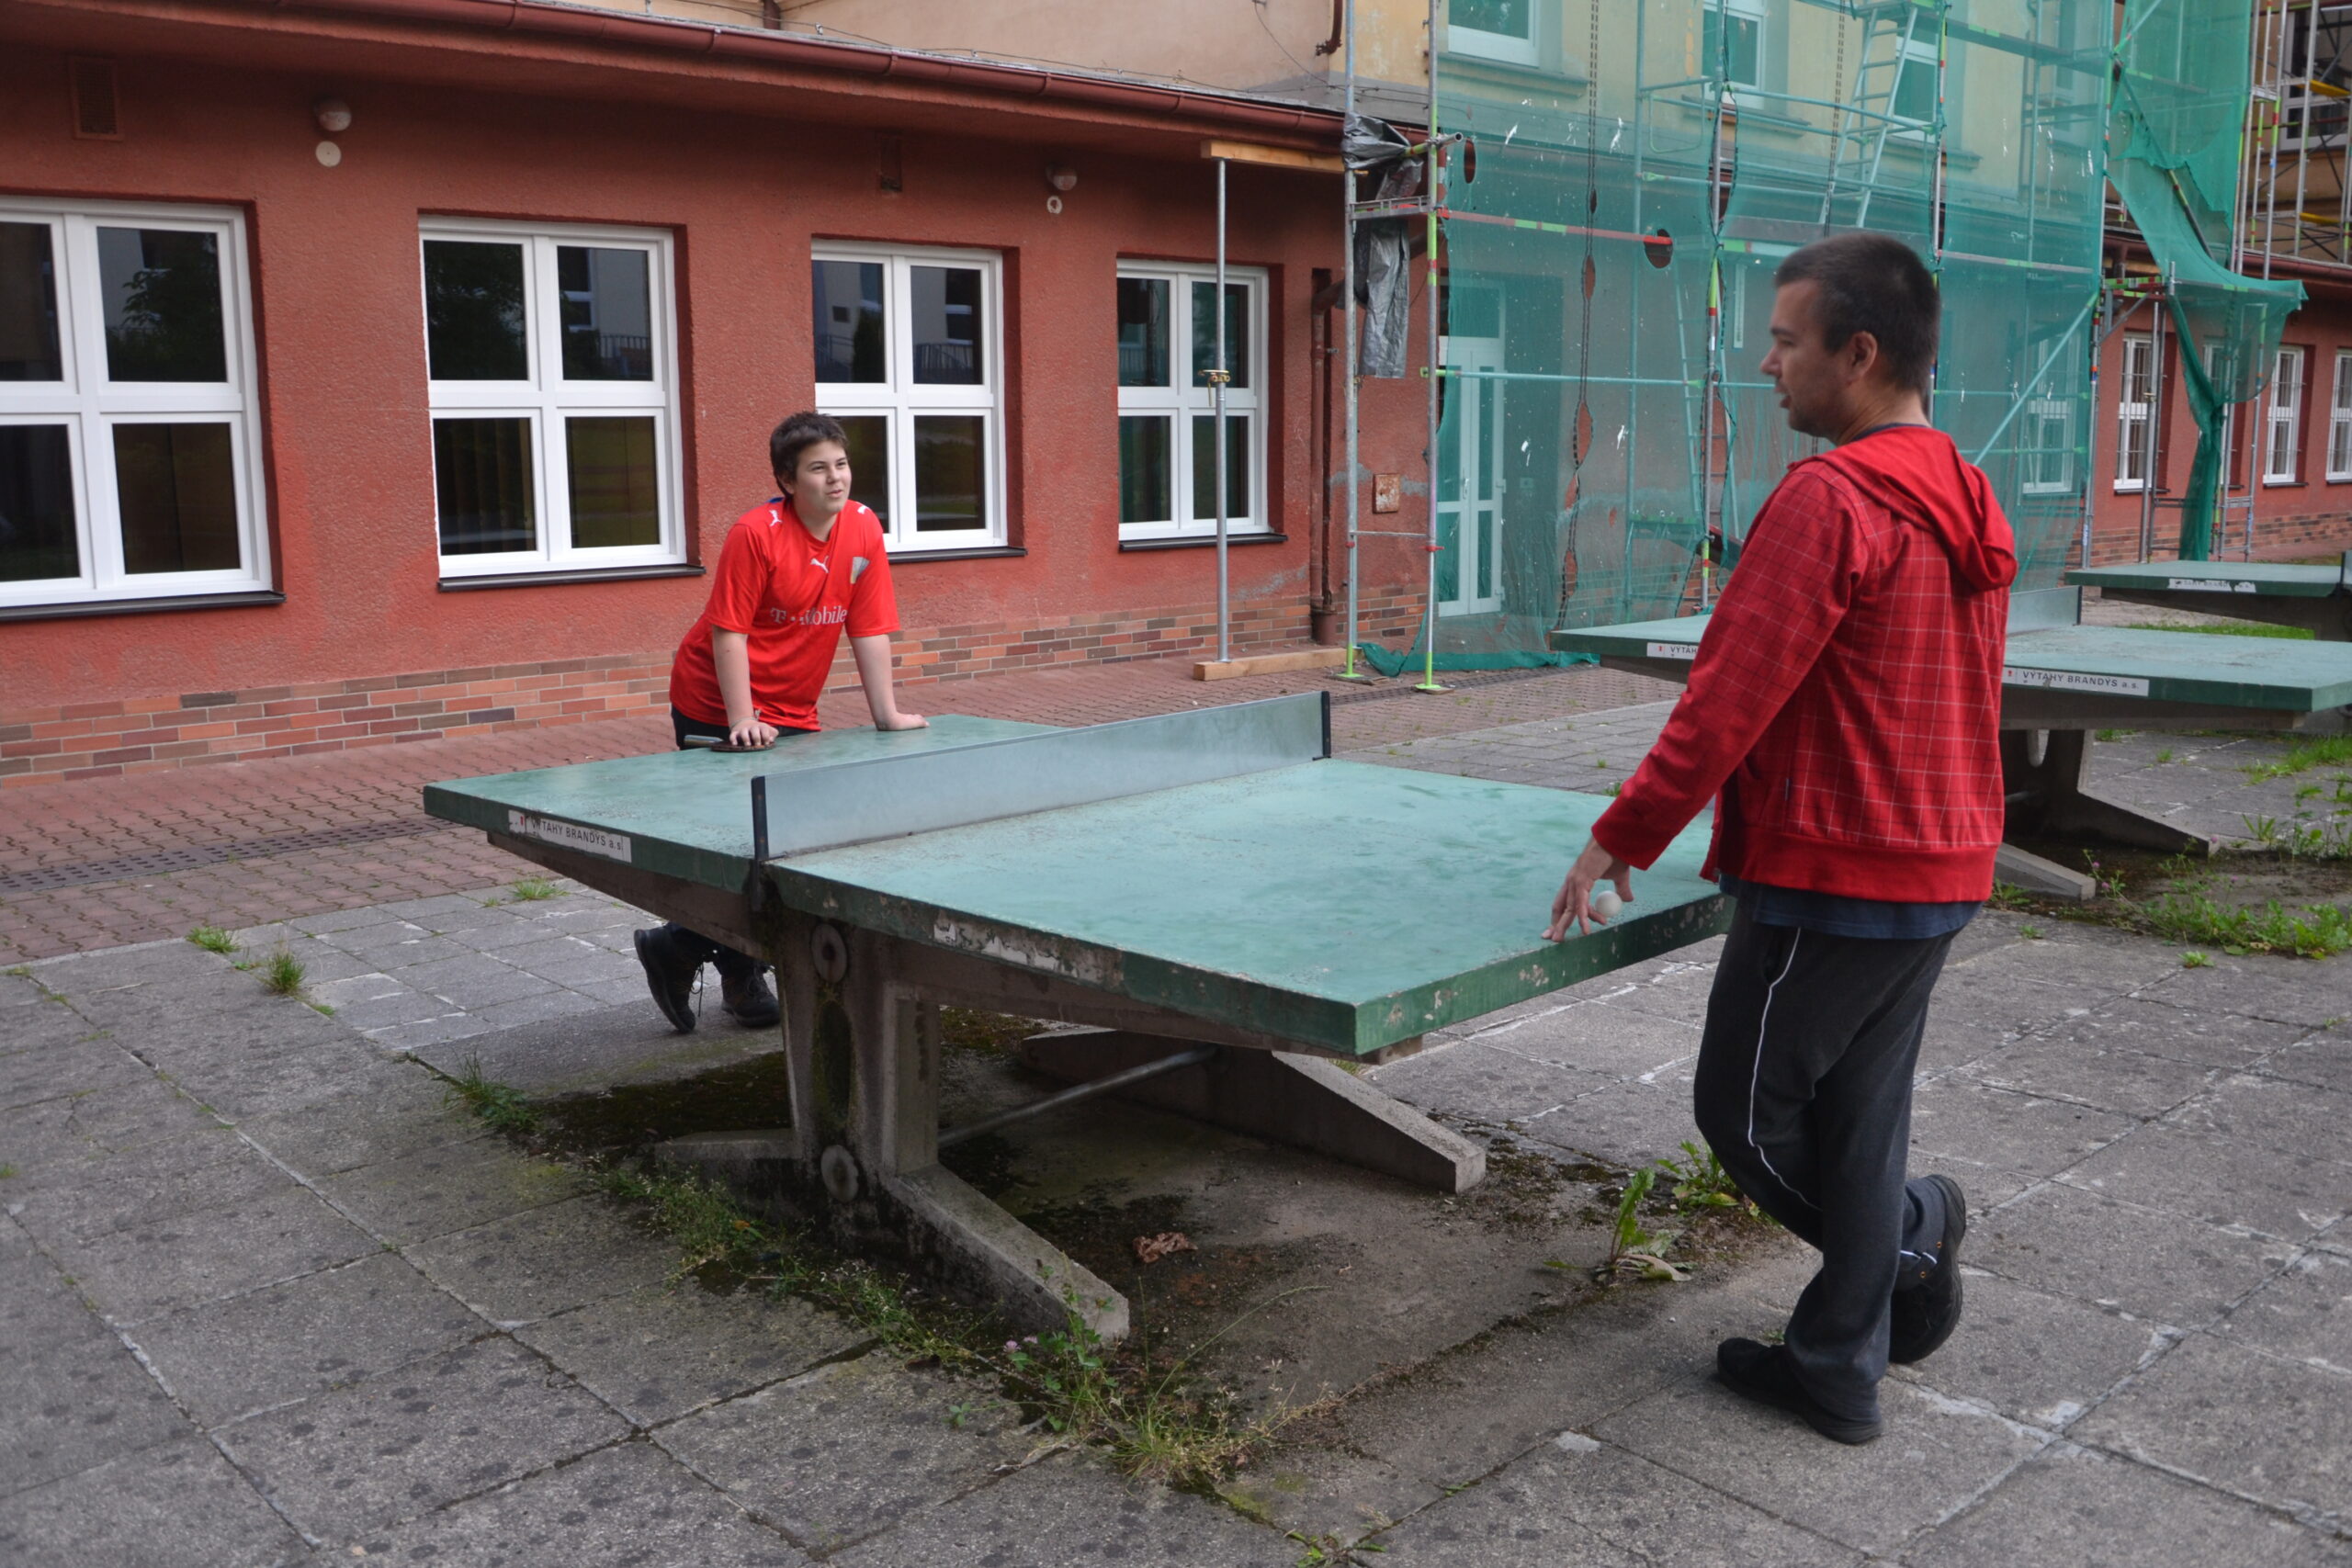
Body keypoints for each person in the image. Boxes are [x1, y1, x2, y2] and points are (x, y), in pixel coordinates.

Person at [1545, 231, 2016, 1445]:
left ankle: (1910, 1235)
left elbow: (1727, 695)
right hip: (1943, 857)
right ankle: (1836, 1365)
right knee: (1859, 1114)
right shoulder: (1964, 490)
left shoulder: (1831, 499)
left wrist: (1620, 834)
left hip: (1839, 870)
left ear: (1857, 355)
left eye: (1784, 341)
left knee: (1744, 1112)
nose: (1764, 364)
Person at [634, 412, 926, 1032]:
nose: (836, 477)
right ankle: (738, 976)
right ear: (788, 482)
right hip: (716, 702)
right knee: (739, 843)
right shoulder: (755, 533)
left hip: (794, 708)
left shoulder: (864, 526)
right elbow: (728, 632)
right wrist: (741, 718)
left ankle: (680, 947)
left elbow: (868, 625)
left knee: (791, 845)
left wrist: (887, 714)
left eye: (841, 464)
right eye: (818, 468)